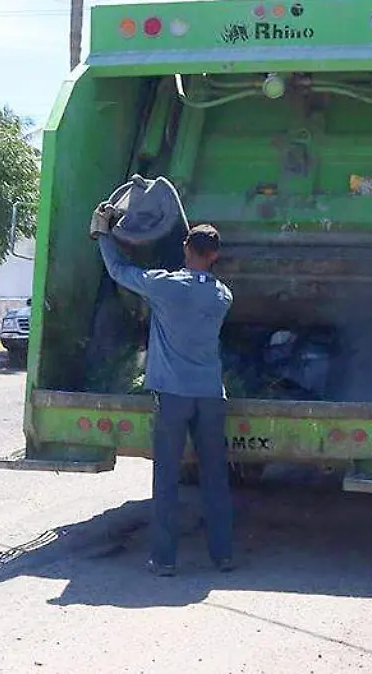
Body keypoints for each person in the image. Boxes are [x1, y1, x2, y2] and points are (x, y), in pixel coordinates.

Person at [89, 212, 235, 577]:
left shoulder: (165, 286)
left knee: (167, 478)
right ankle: (223, 555)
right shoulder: (223, 296)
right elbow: (198, 286)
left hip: (173, 396)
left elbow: (120, 272)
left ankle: (165, 559)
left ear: (186, 248)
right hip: (210, 396)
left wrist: (103, 234)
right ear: (215, 255)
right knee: (215, 477)